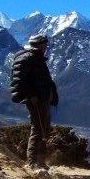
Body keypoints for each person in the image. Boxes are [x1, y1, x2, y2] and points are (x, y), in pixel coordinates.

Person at [10, 34, 58, 171]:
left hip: (42, 98)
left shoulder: (35, 58)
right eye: (45, 44)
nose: (46, 47)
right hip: (36, 99)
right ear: (40, 45)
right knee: (38, 128)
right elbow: (19, 80)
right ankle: (32, 162)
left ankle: (41, 161)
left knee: (44, 128)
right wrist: (31, 95)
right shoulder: (29, 58)